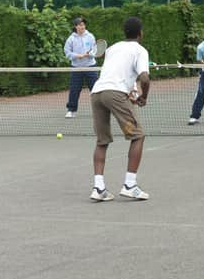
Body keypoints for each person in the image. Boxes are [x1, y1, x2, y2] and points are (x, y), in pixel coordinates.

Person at [89, 17, 150, 202]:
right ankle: (130, 185)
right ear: (140, 33)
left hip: (97, 93)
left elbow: (117, 73)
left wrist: (131, 92)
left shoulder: (112, 48)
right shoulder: (140, 50)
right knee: (138, 136)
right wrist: (143, 97)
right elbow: (145, 78)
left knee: (102, 141)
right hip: (114, 94)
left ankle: (98, 188)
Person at [64, 17, 98, 118]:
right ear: (76, 27)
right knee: (74, 89)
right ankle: (71, 110)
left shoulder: (90, 36)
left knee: (96, 89)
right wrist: (76, 56)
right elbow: (67, 52)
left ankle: (99, 110)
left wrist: (90, 54)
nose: (82, 26)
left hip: (90, 66)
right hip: (76, 68)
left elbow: (95, 50)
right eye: (80, 25)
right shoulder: (71, 39)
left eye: (83, 25)